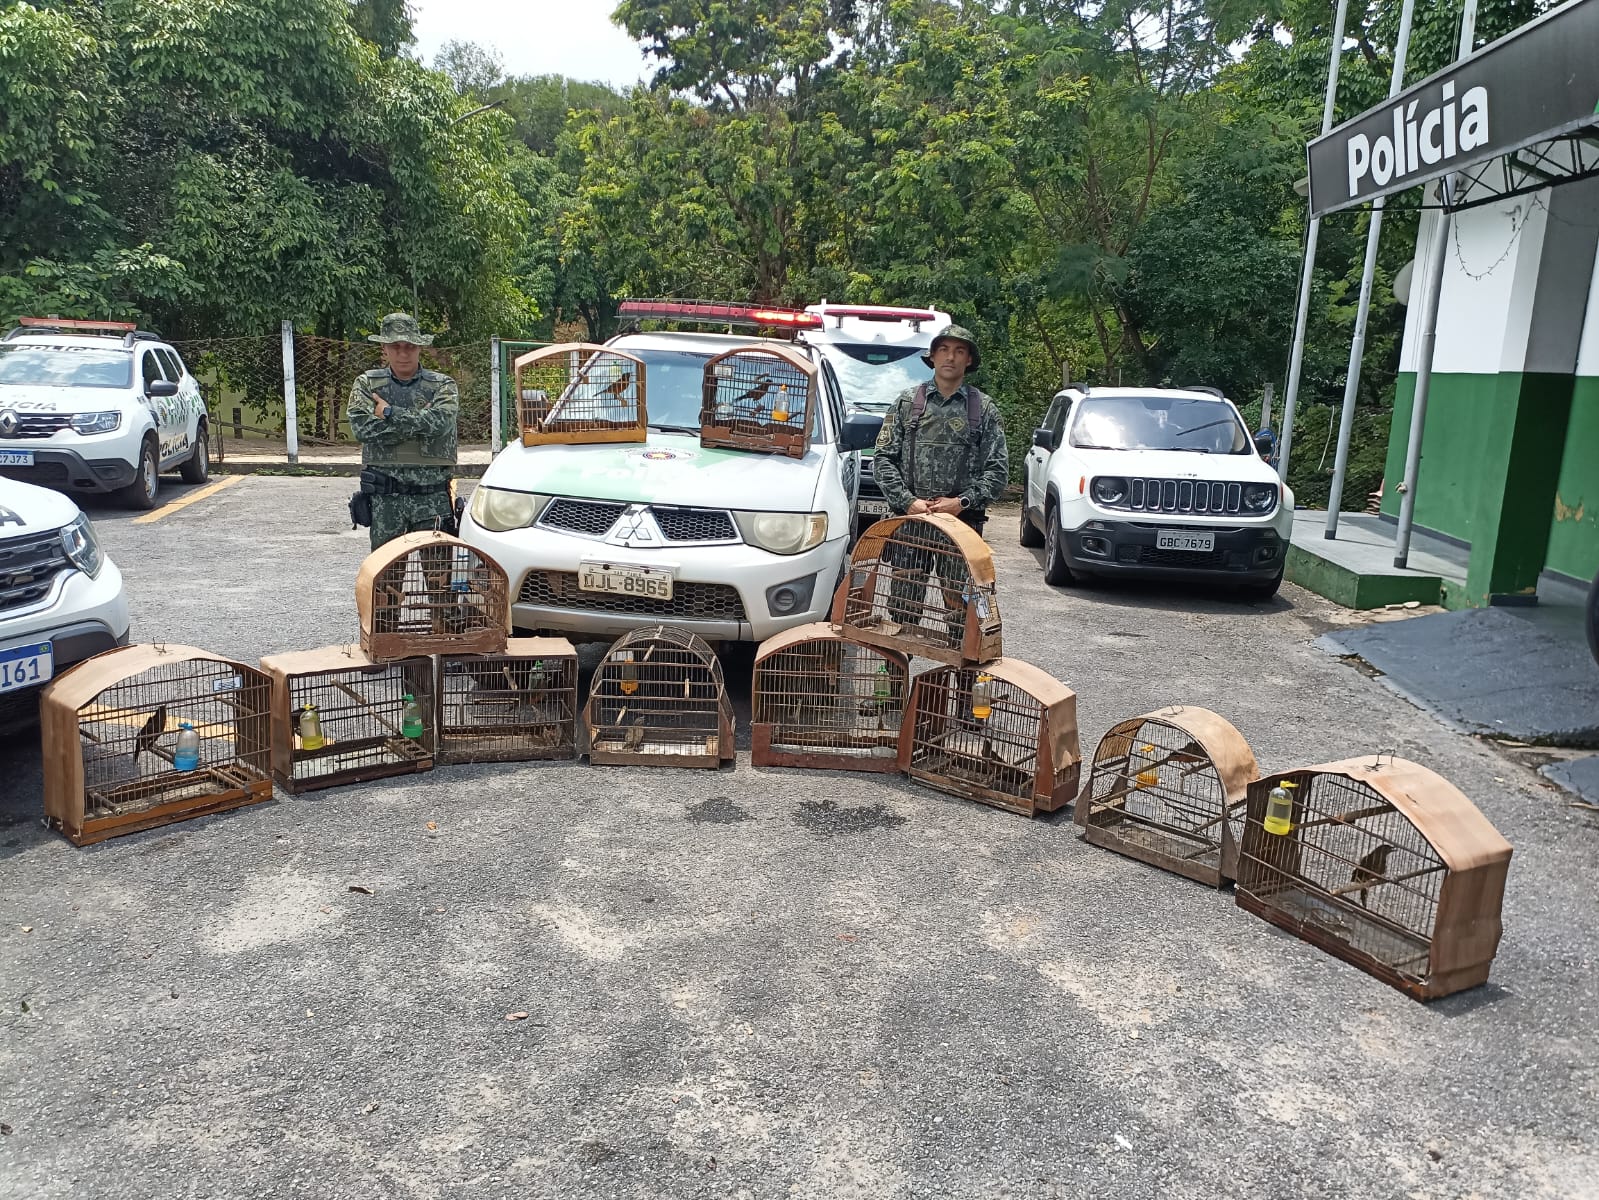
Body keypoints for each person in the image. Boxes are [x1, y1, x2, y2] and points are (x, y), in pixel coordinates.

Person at [870, 325, 1008, 632]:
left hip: (961, 529)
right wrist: (908, 502)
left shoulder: (983, 409)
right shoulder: (908, 403)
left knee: (962, 616)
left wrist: (961, 502)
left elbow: (998, 472)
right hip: (911, 526)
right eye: (944, 350)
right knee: (902, 614)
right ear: (932, 357)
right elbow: (883, 460)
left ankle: (957, 681)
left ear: (969, 360)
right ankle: (897, 680)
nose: (951, 357)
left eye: (959, 351)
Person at [347, 312, 460, 551]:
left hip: (432, 499)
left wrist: (390, 414)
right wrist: (420, 423)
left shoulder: (443, 385)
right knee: (386, 581)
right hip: (386, 500)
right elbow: (362, 429)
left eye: (409, 346)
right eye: (395, 346)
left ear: (419, 348)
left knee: (439, 583)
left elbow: (440, 424)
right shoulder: (367, 384)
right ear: (384, 348)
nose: (403, 353)